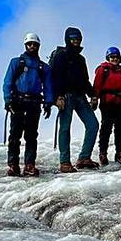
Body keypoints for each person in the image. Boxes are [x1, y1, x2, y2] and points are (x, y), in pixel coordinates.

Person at [2, 32, 54, 177]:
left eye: (35, 44)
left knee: (31, 135)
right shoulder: (16, 63)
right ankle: (13, 165)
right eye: (30, 44)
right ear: (26, 45)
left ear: (38, 46)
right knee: (15, 135)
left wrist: (48, 102)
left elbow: (48, 85)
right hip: (18, 101)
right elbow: (7, 82)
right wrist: (8, 100)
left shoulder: (43, 67)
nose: (32, 46)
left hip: (34, 102)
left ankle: (29, 165)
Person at [48, 26, 100, 173]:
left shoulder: (80, 59)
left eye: (78, 39)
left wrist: (93, 95)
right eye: (73, 39)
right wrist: (57, 97)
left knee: (93, 124)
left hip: (80, 95)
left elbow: (85, 80)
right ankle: (64, 162)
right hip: (66, 96)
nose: (76, 42)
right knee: (65, 127)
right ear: (67, 39)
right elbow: (55, 78)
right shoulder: (60, 56)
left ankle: (84, 157)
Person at [93, 47, 121, 165]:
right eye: (112, 57)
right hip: (107, 103)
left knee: (120, 129)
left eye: (116, 57)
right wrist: (95, 99)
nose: (114, 59)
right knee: (106, 128)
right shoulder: (103, 70)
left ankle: (120, 153)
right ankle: (103, 153)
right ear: (108, 58)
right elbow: (97, 86)